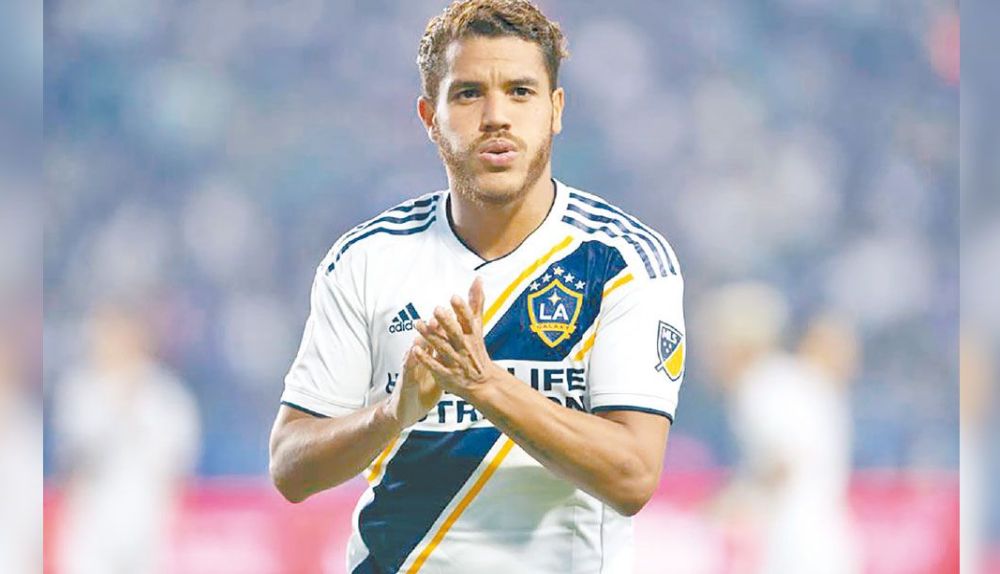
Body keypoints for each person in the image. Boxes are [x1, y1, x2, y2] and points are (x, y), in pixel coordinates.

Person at [268, 1, 686, 572]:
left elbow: (633, 476)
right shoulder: (366, 259)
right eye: (468, 94)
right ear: (429, 116)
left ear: (555, 109)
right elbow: (290, 467)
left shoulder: (621, 260)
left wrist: (485, 385)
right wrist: (392, 413)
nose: (496, 116)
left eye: (520, 92)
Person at [703, 284, 860, 574]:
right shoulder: (795, 378)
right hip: (829, 537)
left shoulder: (758, 386)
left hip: (796, 546)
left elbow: (783, 464)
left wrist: (737, 499)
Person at [53, 304, 200, 574]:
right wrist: (116, 407)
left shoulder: (167, 397)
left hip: (147, 528)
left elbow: (178, 463)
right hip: (91, 530)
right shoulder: (80, 391)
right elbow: (73, 458)